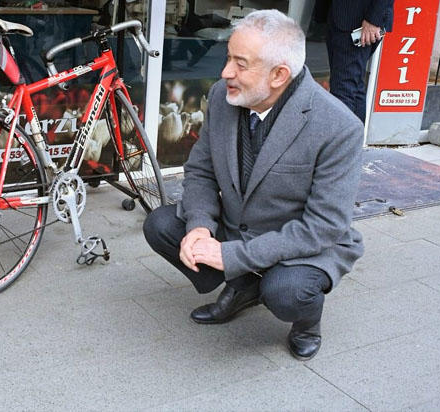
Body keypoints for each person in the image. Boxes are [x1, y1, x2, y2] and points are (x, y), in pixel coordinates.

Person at [143, 9, 364, 361]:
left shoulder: (339, 128)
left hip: (299, 245)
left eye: (240, 64)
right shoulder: (221, 96)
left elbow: (323, 227)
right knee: (161, 225)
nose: (226, 72)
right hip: (238, 227)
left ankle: (306, 321)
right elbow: (200, 170)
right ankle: (244, 286)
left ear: (279, 75)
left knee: (287, 292)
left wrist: (229, 255)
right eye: (228, 57)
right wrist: (200, 227)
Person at [326, 0, 394, 122]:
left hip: (359, 21)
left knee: (344, 88)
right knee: (353, 86)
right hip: (343, 15)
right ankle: (354, 139)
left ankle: (342, 140)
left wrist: (374, 19)